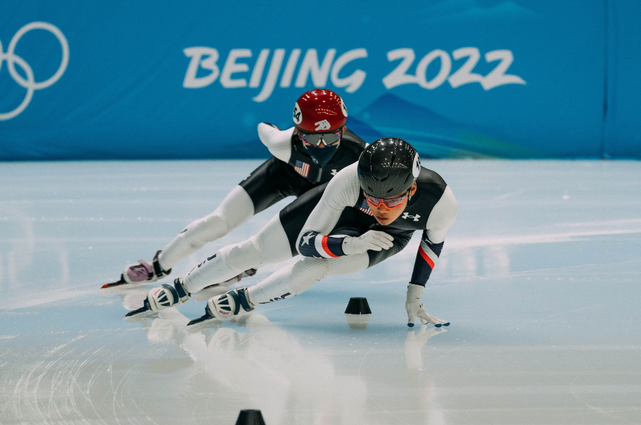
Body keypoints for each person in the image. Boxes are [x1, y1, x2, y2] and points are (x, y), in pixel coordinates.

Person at [182, 137, 458, 327]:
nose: (381, 209)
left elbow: (431, 244)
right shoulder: (348, 180)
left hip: (389, 237)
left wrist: (415, 296)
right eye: (372, 198)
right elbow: (305, 242)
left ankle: (245, 300)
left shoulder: (441, 203)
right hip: (342, 218)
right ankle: (183, 285)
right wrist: (349, 244)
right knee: (258, 251)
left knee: (313, 269)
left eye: (392, 200)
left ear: (411, 190)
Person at [104, 89, 366, 289]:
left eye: (331, 137)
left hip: (323, 193)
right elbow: (265, 128)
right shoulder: (281, 144)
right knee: (218, 221)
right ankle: (159, 265)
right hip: (282, 175)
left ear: (343, 130)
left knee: (274, 244)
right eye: (311, 137)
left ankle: (245, 267)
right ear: (298, 132)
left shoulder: (360, 155)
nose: (321, 146)